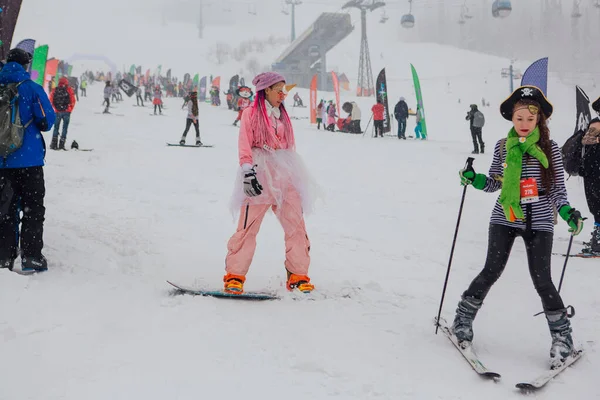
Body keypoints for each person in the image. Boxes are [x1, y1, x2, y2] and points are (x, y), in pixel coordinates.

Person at [453, 86, 585, 367]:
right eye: (519, 118)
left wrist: (568, 212)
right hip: (504, 217)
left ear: (539, 120)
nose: (524, 124)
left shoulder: (551, 149)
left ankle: (562, 337)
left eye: (530, 118)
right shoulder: (502, 146)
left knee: (542, 280)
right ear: (512, 119)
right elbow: (493, 183)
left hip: (539, 221)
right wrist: (473, 178)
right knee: (491, 270)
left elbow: (557, 191)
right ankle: (462, 319)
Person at [224, 72, 319, 295]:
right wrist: (247, 170)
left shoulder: (281, 116)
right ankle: (235, 275)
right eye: (279, 91)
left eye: (284, 91)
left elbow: (288, 146)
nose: (283, 95)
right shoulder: (250, 114)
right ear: (266, 90)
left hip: (284, 173)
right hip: (259, 172)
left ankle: (298, 275)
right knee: (248, 227)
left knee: (296, 224)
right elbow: (244, 144)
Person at [0, 48, 56, 272]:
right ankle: (31, 257)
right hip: (29, 160)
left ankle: (3, 256)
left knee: (5, 208)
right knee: (33, 208)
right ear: (26, 65)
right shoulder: (31, 88)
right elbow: (47, 120)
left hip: (2, 162)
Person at [580, 115, 600, 254]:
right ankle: (597, 238)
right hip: (593, 171)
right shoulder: (596, 123)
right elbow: (587, 140)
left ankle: (597, 238)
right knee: (596, 206)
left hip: (592, 171)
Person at [49, 77, 76, 150]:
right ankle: (61, 144)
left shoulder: (55, 90)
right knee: (65, 128)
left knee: (56, 128)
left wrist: (55, 109)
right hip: (66, 112)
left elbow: (50, 100)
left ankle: (54, 144)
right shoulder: (69, 89)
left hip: (57, 112)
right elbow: (73, 100)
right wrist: (69, 109)